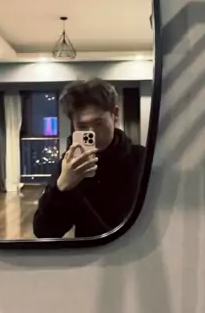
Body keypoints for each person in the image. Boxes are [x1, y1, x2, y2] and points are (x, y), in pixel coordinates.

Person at [33, 79, 145, 238]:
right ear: (73, 125)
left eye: (99, 123)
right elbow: (44, 232)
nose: (92, 133)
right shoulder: (70, 165)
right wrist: (61, 188)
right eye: (82, 126)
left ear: (115, 115)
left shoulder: (141, 160)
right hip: (89, 252)